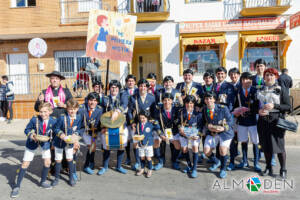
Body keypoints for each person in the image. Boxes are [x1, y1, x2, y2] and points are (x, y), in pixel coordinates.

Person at [10, 103, 57, 198]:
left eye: (45, 112)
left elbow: (56, 132)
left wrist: (54, 143)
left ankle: (43, 181)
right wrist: (32, 135)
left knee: (47, 162)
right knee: (25, 164)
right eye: (41, 112)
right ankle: (17, 186)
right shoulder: (34, 119)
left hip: (45, 143)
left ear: (50, 112)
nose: (43, 114)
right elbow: (27, 130)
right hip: (32, 143)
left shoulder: (53, 121)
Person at [257, 68, 291, 179]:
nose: (269, 77)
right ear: (264, 77)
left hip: (276, 120)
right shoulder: (259, 89)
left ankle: (283, 169)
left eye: (272, 75)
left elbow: (288, 107)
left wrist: (274, 106)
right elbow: (253, 106)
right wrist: (258, 111)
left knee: (279, 146)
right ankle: (268, 167)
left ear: (276, 77)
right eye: (267, 75)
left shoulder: (281, 89)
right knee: (266, 146)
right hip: (263, 121)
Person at [98, 80, 129, 175]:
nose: (114, 89)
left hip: (121, 125)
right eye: (112, 87)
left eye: (116, 87)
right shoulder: (105, 98)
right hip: (108, 125)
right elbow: (102, 112)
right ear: (109, 88)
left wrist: (118, 111)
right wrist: (102, 126)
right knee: (106, 147)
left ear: (119, 89)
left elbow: (124, 104)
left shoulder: (123, 96)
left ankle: (119, 166)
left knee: (121, 146)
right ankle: (105, 166)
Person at [232, 72, 261, 172]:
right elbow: (235, 104)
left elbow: (259, 106)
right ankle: (244, 161)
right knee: (243, 141)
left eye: (247, 80)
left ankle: (256, 162)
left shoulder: (256, 91)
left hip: (253, 121)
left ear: (251, 81)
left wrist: (251, 111)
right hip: (242, 121)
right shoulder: (238, 91)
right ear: (241, 81)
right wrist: (237, 112)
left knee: (255, 142)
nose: (245, 82)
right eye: (243, 80)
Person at [52, 99, 83, 187]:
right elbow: (56, 129)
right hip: (60, 141)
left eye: (74, 109)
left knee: (70, 159)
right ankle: (56, 178)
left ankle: (71, 177)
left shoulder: (79, 117)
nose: (72, 111)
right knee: (58, 159)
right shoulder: (62, 117)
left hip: (70, 141)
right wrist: (62, 135)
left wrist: (76, 137)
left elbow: (79, 129)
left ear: (77, 109)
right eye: (70, 109)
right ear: (67, 109)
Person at [202, 91, 234, 179]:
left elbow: (231, 121)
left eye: (210, 98)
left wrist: (224, 128)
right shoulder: (204, 109)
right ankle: (217, 161)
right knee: (206, 151)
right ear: (204, 100)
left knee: (223, 150)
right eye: (206, 99)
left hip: (225, 132)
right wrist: (207, 126)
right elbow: (204, 122)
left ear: (214, 100)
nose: (208, 101)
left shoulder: (223, 108)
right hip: (213, 132)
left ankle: (223, 169)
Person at [128, 79, 156, 171]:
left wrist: (152, 120)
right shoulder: (133, 97)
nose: (142, 88)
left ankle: (149, 162)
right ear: (138, 87)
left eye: (144, 86)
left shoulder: (152, 97)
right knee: (136, 144)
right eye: (141, 86)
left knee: (147, 143)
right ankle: (138, 162)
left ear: (147, 87)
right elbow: (129, 111)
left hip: (147, 125)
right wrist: (132, 122)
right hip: (137, 124)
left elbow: (154, 111)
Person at [153, 93, 181, 171]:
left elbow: (179, 120)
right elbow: (156, 122)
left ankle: (174, 160)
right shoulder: (158, 110)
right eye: (165, 100)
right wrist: (161, 134)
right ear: (162, 101)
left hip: (173, 131)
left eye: (169, 100)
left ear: (172, 101)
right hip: (162, 130)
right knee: (157, 141)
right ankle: (161, 161)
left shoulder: (177, 109)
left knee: (177, 145)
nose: (167, 102)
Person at [177, 95, 203, 178]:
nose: (189, 105)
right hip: (183, 134)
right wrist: (180, 129)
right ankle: (189, 165)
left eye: (191, 103)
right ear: (185, 103)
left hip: (194, 135)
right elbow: (177, 123)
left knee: (195, 147)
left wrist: (198, 135)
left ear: (194, 104)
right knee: (184, 149)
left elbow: (201, 127)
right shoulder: (181, 112)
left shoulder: (198, 114)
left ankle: (194, 168)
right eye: (187, 103)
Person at [79, 92, 103, 175]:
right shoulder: (82, 108)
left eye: (95, 100)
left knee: (93, 146)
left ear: (97, 102)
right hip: (83, 130)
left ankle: (91, 162)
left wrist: (102, 129)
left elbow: (99, 123)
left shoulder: (99, 109)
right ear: (87, 100)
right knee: (91, 145)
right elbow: (78, 122)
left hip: (94, 131)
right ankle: (86, 166)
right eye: (90, 100)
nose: (92, 102)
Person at [134, 110, 160, 178]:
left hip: (148, 143)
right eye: (140, 118)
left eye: (143, 118)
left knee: (148, 157)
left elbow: (157, 127)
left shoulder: (150, 124)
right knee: (142, 157)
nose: (142, 119)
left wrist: (154, 121)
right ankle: (142, 169)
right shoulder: (138, 125)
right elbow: (136, 133)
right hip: (140, 143)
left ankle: (150, 170)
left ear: (147, 117)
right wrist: (136, 142)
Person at [123, 74, 137, 165]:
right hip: (125, 119)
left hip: (135, 120)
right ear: (126, 82)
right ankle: (128, 157)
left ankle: (137, 160)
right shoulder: (122, 92)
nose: (130, 82)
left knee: (135, 139)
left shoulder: (138, 91)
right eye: (129, 81)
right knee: (127, 140)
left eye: (132, 81)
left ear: (134, 82)